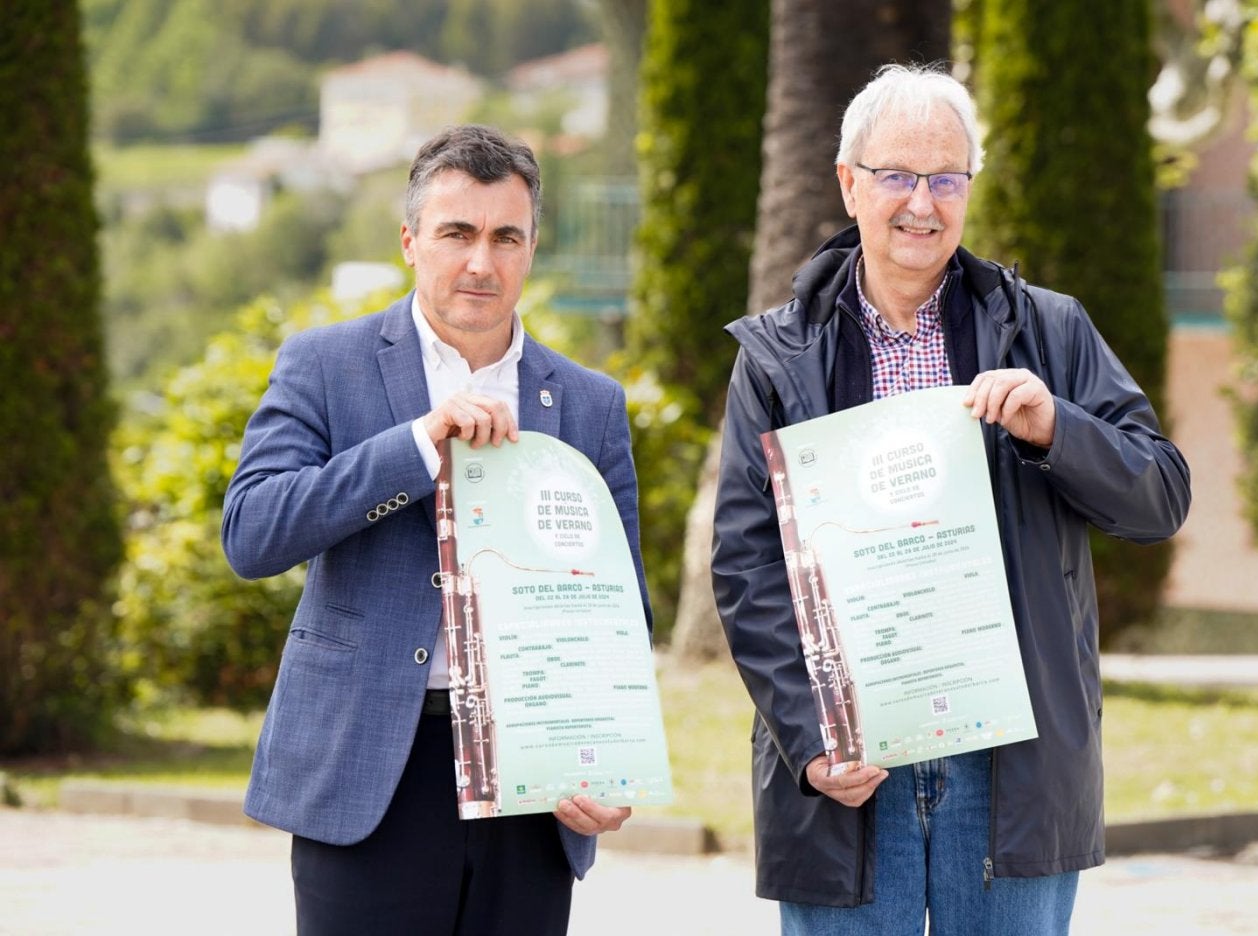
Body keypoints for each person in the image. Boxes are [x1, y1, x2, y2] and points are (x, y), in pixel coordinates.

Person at [711, 64, 1191, 935]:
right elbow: (747, 570)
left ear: (970, 186)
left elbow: (1159, 494)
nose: (921, 203)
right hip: (852, 774)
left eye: (946, 177)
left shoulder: (1051, 330)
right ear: (848, 182)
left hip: (1011, 770)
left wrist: (1058, 429)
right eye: (897, 175)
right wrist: (812, 736)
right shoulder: (777, 356)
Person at [222, 124, 648, 936]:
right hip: (369, 765)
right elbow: (253, 533)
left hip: (532, 774)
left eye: (504, 237)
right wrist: (417, 445)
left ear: (530, 249)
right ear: (412, 241)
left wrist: (607, 755)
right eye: (457, 233)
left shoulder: (591, 403)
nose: (481, 262)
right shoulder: (324, 364)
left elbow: (619, 602)